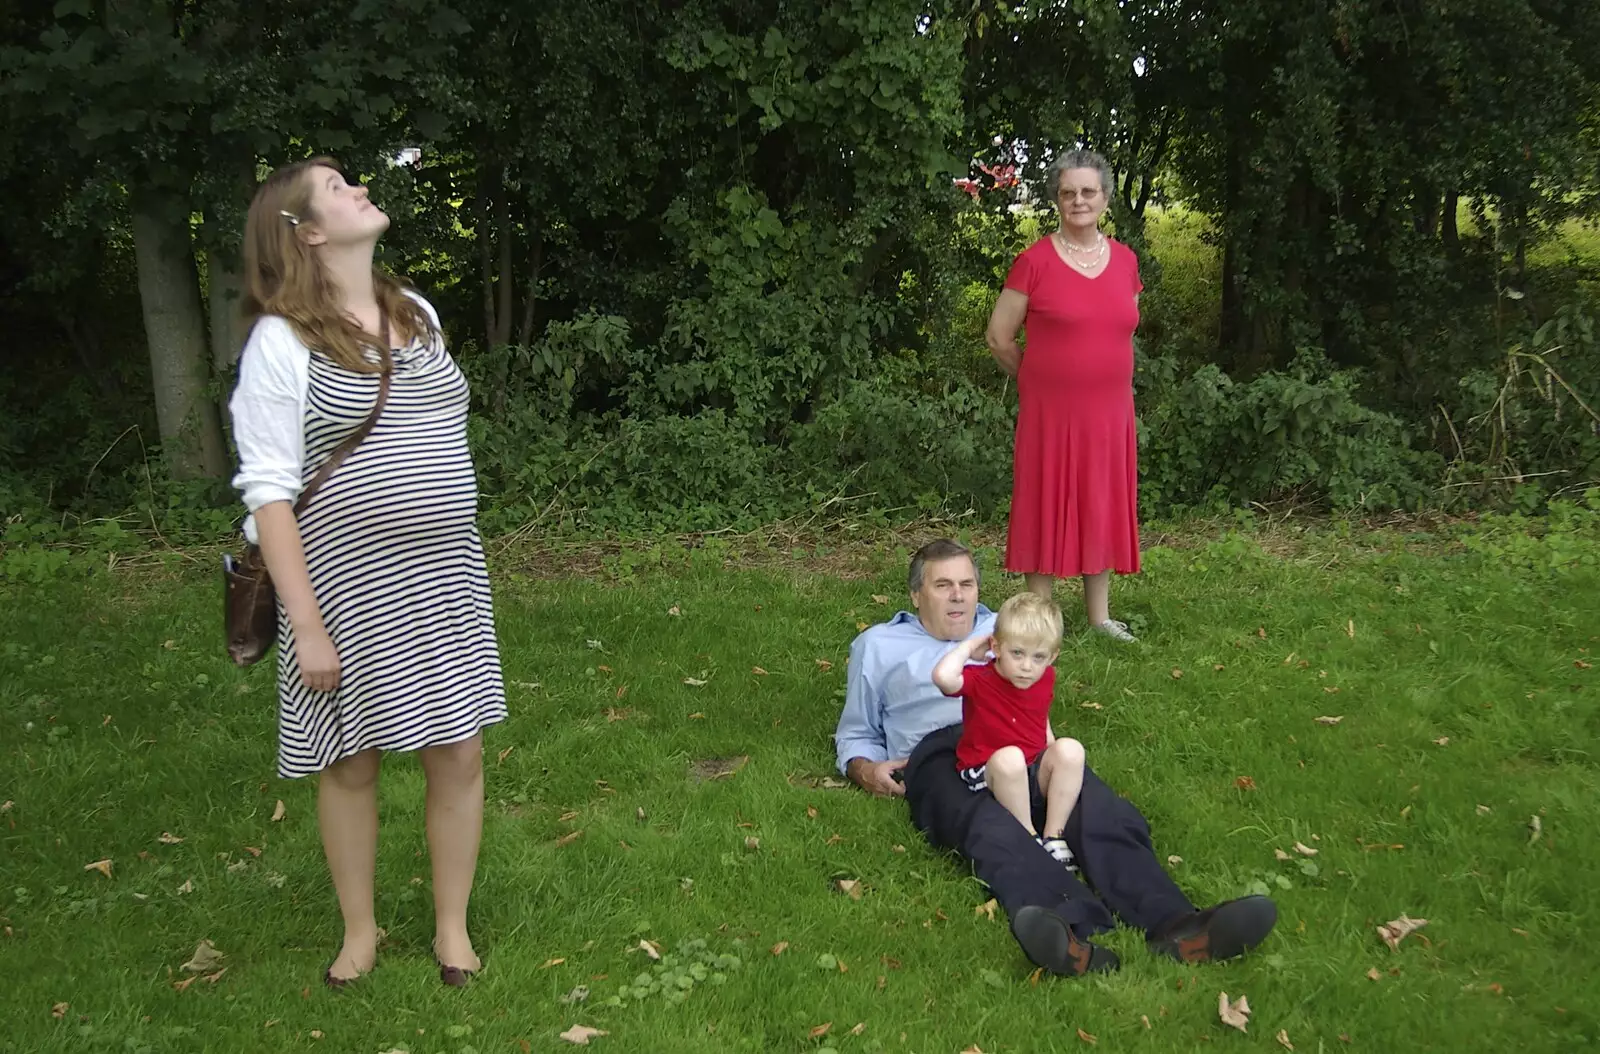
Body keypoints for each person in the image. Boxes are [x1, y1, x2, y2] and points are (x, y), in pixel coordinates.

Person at [229, 157, 507, 988]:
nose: (358, 189)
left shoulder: (413, 312)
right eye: (338, 187)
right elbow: (272, 496)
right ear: (308, 232)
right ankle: (360, 933)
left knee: (457, 752)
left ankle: (451, 931)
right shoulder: (280, 342)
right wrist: (307, 626)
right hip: (346, 584)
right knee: (350, 761)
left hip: (446, 574)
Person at [835, 538, 1276, 977]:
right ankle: (1067, 933)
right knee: (988, 827)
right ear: (916, 595)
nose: (958, 595)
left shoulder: (1010, 630)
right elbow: (856, 730)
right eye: (943, 585)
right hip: (942, 753)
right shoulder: (878, 645)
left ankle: (1179, 925)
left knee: (1098, 807)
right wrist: (866, 768)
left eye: (967, 584)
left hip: (1023, 748)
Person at [986, 149, 1144, 642]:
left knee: (1101, 499)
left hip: (1110, 411)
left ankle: (1099, 618)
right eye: (1068, 192)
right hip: (1050, 412)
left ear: (1104, 198)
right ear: (1057, 198)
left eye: (1088, 191)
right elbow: (998, 337)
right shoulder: (1033, 262)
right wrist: (1038, 379)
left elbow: (1120, 330)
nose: (1079, 200)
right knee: (1046, 501)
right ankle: (1038, 621)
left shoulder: (1125, 261)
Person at [932, 593, 1086, 873]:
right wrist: (969, 647)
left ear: (1053, 657)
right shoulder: (980, 679)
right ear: (997, 647)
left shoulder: (1045, 677)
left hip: (1028, 768)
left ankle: (1054, 835)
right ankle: (1028, 836)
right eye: (1017, 653)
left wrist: (1051, 750)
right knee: (1011, 758)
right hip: (987, 771)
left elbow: (1040, 716)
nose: (1027, 666)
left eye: (1038, 657)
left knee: (1071, 749)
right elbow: (943, 678)